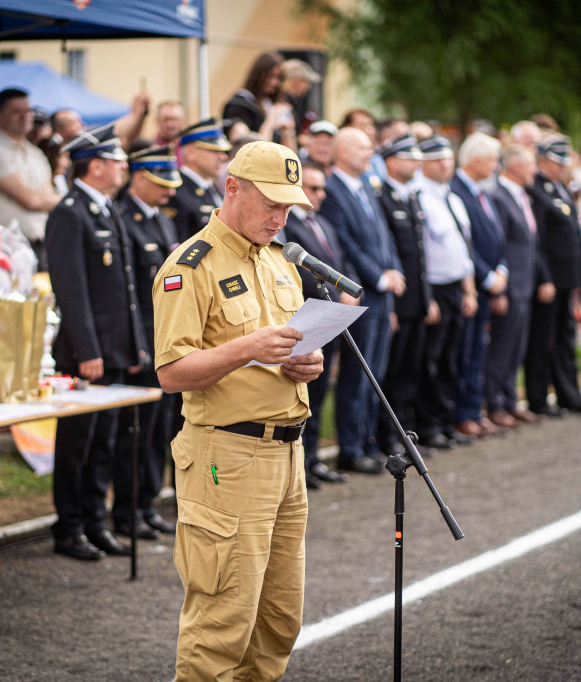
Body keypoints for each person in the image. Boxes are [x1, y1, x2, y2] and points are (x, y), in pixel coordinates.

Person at [153, 139, 322, 680]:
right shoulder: (190, 265)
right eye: (271, 203)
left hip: (288, 455)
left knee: (278, 620)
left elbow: (287, 347)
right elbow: (170, 372)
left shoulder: (280, 260)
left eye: (288, 206)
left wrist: (304, 364)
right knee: (220, 623)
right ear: (232, 188)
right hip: (226, 456)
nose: (280, 216)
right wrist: (246, 349)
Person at [44, 123, 146, 561]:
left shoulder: (107, 209)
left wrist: (136, 345)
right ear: (97, 166)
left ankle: (94, 520)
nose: (125, 167)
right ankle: (68, 527)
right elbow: (72, 290)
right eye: (118, 159)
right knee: (78, 445)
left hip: (115, 349)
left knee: (105, 442)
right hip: (87, 353)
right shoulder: (70, 212)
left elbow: (125, 288)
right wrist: (88, 352)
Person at [319, 127, 405, 473]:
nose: (371, 152)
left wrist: (394, 270)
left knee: (377, 372)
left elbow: (383, 236)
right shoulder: (334, 190)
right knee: (359, 374)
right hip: (361, 292)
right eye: (363, 147)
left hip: (383, 292)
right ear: (341, 153)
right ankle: (351, 448)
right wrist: (377, 277)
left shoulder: (367, 187)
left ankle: (368, 440)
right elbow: (346, 244)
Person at [110, 145, 182, 539]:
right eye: (161, 182)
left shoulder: (163, 221)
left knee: (159, 432)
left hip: (167, 340)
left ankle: (147, 502)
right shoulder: (126, 220)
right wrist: (139, 345)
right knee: (133, 436)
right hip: (145, 343)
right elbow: (131, 294)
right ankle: (126, 509)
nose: (169, 191)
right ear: (139, 178)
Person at [283, 160, 354, 488]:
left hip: (332, 315)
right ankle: (301, 463)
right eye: (313, 188)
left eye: (322, 188)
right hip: (307, 316)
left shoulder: (321, 222)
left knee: (320, 392)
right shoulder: (289, 230)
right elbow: (296, 274)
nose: (320, 194)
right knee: (304, 393)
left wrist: (346, 289)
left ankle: (312, 460)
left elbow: (337, 263)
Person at [526, 135, 581, 417]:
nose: (564, 167)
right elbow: (539, 241)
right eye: (559, 162)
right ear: (544, 161)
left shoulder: (559, 188)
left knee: (565, 339)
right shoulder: (537, 189)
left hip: (566, 279)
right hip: (550, 281)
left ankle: (569, 396)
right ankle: (538, 398)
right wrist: (544, 278)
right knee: (542, 341)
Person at [374, 134, 442, 453]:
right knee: (393, 372)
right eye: (408, 156)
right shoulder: (382, 197)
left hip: (416, 300)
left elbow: (420, 256)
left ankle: (406, 434)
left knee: (411, 371)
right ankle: (388, 437)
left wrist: (427, 297)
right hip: (398, 302)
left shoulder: (409, 197)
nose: (417, 162)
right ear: (390, 159)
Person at [409, 135, 477, 446]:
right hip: (433, 288)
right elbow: (421, 252)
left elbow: (463, 250)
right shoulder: (418, 196)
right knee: (430, 360)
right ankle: (428, 425)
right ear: (422, 163)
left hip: (455, 286)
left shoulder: (454, 199)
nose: (445, 165)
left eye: (448, 159)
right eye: (438, 159)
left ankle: (446, 419)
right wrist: (427, 297)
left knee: (452, 357)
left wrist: (470, 290)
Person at [450, 132, 508, 438]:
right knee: (465, 351)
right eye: (491, 160)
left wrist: (501, 270)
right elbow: (466, 244)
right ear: (473, 160)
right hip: (472, 284)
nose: (496, 166)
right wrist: (487, 277)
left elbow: (496, 238)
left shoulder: (483, 192)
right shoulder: (457, 191)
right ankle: (463, 413)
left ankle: (474, 410)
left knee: (477, 351)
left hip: (489, 283)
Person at [486, 144, 542, 428]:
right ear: (516, 165)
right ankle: (494, 404)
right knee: (502, 346)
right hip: (510, 286)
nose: (535, 170)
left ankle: (509, 399)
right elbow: (501, 246)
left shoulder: (521, 195)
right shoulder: (498, 196)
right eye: (531, 164)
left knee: (516, 348)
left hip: (525, 284)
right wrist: (502, 290)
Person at [0, 88, 61, 271]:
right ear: (0, 117)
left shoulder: (36, 154)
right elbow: (31, 200)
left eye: (27, 110)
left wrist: (50, 200)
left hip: (39, 244)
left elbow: (47, 197)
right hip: (4, 249)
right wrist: (63, 200)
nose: (25, 116)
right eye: (16, 112)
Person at [163, 118, 230, 243]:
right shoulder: (176, 191)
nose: (223, 157)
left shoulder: (210, 188)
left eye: (223, 151)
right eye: (214, 150)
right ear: (191, 153)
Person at [222, 50, 294, 147]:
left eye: (278, 78)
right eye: (270, 76)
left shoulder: (273, 104)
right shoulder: (240, 104)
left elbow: (291, 156)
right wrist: (271, 118)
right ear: (258, 75)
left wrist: (288, 132)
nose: (274, 82)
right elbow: (253, 151)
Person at [280, 58, 321, 134]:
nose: (308, 87)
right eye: (306, 81)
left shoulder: (294, 103)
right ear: (296, 81)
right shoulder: (281, 104)